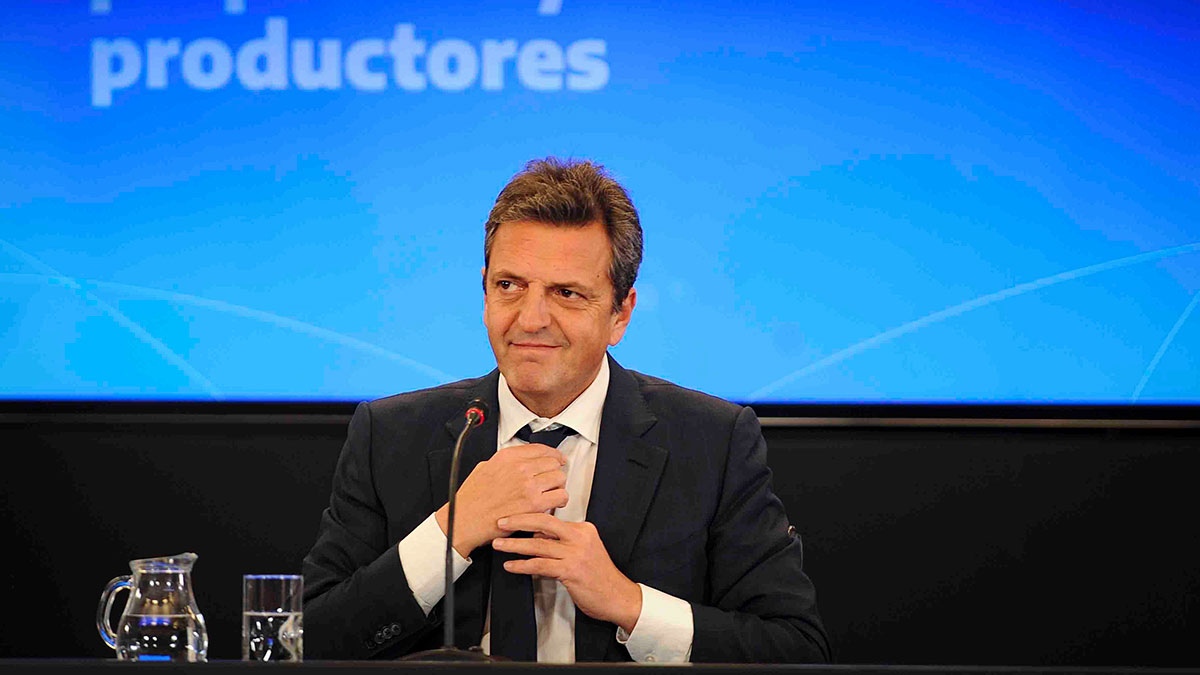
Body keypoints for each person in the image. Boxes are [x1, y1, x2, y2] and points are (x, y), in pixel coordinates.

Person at [301, 157, 831, 663]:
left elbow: (795, 648)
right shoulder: (389, 436)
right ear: (484, 293)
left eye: (567, 293)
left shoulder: (713, 442)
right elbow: (306, 642)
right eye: (509, 286)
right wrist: (449, 532)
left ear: (621, 314)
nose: (531, 318)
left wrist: (628, 603)